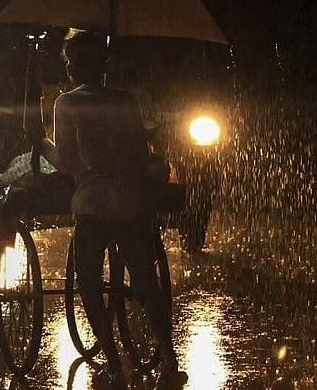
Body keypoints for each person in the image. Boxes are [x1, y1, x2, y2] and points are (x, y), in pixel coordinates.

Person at [53, 32, 187, 389]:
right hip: (131, 203)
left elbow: (65, 162)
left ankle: (113, 363)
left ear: (73, 66)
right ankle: (169, 358)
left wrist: (47, 152)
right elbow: (141, 157)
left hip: (93, 205)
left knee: (89, 283)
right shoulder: (126, 101)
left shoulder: (66, 104)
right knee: (145, 282)